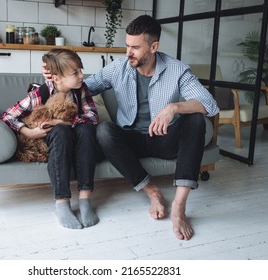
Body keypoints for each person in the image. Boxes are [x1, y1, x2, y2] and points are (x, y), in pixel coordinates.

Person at [43, 15, 219, 240]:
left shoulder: (177, 70)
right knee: (104, 130)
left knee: (196, 119)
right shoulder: (119, 68)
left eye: (135, 47)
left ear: (154, 47)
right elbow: (82, 87)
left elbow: (209, 104)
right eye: (127, 45)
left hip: (164, 139)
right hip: (130, 141)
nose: (128, 53)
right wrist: (54, 77)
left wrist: (174, 107)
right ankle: (152, 191)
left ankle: (179, 207)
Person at [1, 48, 102, 230]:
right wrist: (28, 132)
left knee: (87, 129)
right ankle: (62, 203)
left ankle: (85, 200)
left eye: (81, 69)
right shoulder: (39, 95)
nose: (82, 75)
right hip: (57, 139)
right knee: (60, 133)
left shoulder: (81, 90)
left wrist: (62, 121)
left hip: (78, 135)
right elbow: (7, 116)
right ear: (56, 78)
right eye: (75, 72)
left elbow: (93, 116)